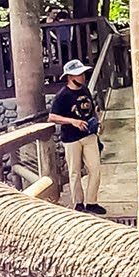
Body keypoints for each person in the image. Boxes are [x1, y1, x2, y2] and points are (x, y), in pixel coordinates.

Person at [48, 59, 106, 214]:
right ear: (70, 77)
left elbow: (91, 109)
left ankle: (92, 201)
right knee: (74, 171)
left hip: (89, 134)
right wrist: (72, 121)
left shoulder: (85, 90)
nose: (82, 77)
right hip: (71, 137)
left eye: (82, 74)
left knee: (95, 168)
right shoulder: (62, 96)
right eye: (79, 74)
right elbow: (52, 117)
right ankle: (78, 203)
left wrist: (98, 122)